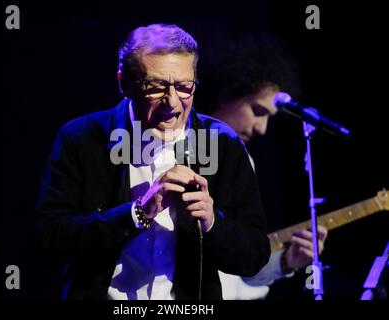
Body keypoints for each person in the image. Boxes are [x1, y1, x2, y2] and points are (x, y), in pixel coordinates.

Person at [32, 24, 270, 300]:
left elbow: (254, 256)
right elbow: (47, 242)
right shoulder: (81, 139)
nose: (172, 103)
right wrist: (137, 213)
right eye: (156, 87)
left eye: (184, 87)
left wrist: (213, 223)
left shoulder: (223, 144)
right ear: (124, 83)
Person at [196, 35, 328, 299]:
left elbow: (239, 269)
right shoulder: (174, 147)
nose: (262, 128)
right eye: (258, 110)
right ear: (228, 93)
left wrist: (287, 261)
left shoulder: (244, 161)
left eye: (269, 117)